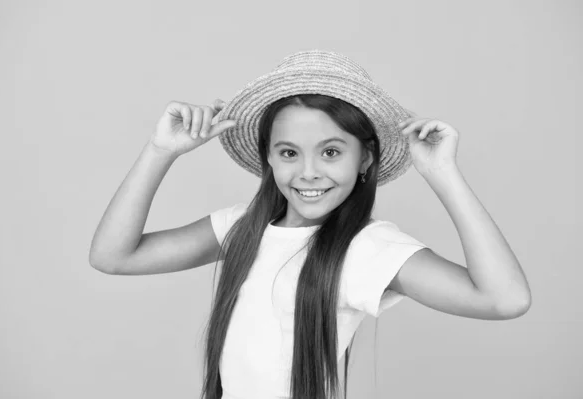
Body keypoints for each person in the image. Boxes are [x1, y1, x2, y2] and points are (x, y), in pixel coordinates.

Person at [89, 50, 532, 399]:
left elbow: (504, 299)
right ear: (267, 157)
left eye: (331, 152)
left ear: (367, 159)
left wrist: (442, 173)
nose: (308, 173)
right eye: (289, 153)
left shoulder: (366, 249)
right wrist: (159, 150)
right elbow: (113, 256)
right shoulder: (242, 227)